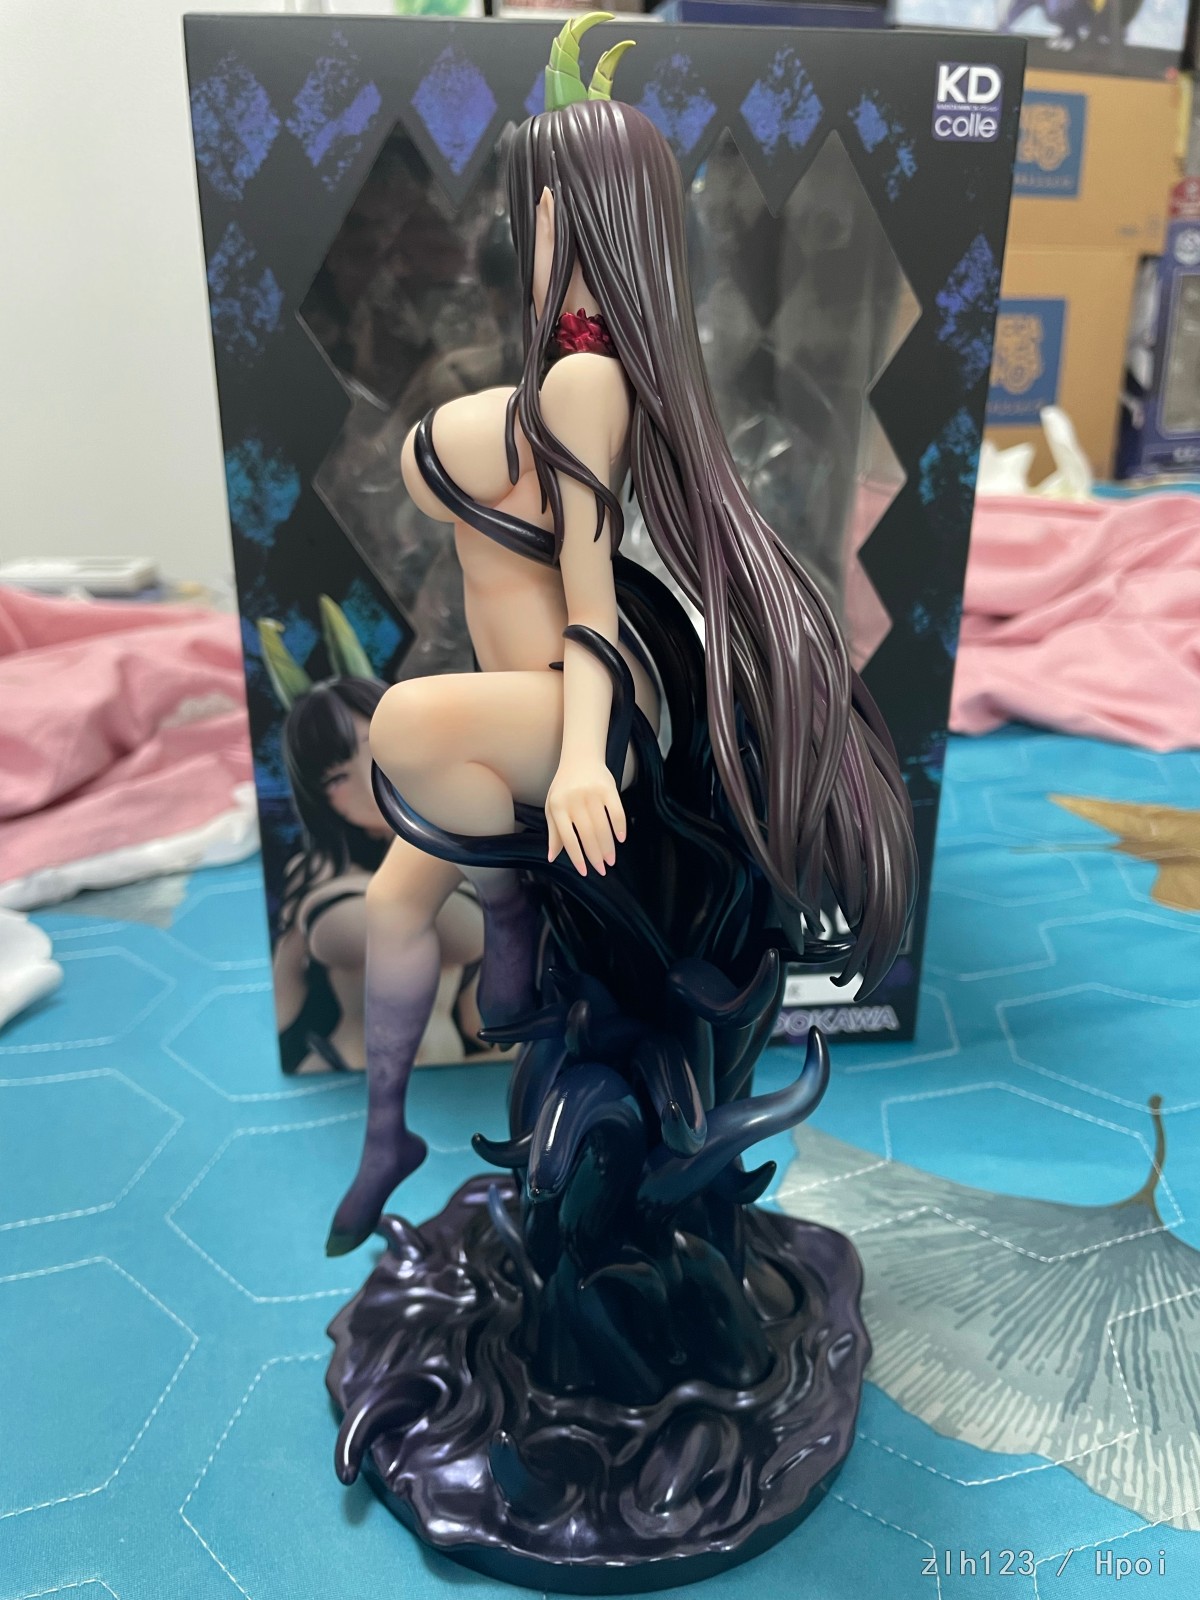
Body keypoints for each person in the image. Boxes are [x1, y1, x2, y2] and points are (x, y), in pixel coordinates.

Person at [326, 13, 916, 1255]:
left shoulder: (587, 382)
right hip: (529, 705)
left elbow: (591, 598)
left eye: (544, 207)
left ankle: (509, 913)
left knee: (405, 722)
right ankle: (387, 1132)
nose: (529, 230)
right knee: (390, 899)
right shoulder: (554, 380)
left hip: (584, 705)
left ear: (580, 217)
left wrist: (587, 764)